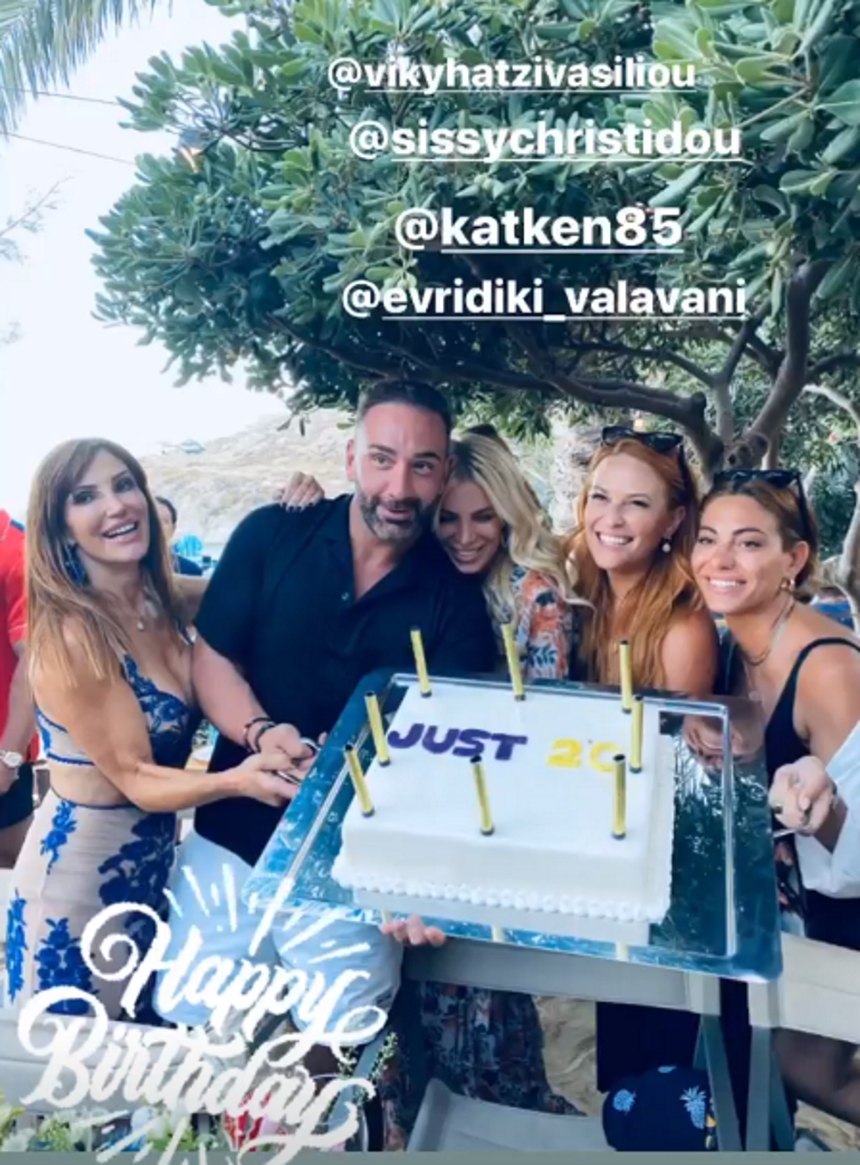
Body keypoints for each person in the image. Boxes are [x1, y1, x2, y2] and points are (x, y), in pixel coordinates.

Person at [152, 382, 498, 1080]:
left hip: (357, 868)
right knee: (190, 1036)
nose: (398, 487)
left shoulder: (455, 600)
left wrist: (421, 869)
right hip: (232, 839)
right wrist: (260, 731)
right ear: (350, 458)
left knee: (337, 1050)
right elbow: (212, 655)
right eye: (382, 458)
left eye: (422, 465)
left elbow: (452, 754)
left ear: (443, 475)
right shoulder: (272, 534)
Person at [5, 439, 293, 1020]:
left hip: (154, 878)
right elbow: (136, 777)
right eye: (86, 497)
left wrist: (292, 518)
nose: (115, 505)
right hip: (75, 895)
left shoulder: (167, 600)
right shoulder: (71, 636)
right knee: (75, 1066)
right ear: (60, 529)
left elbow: (271, 592)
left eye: (124, 484)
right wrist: (239, 781)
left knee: (143, 1058)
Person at [692, 467, 860, 1126]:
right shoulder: (731, 644)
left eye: (749, 542)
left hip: (844, 909)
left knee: (804, 1064)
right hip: (791, 911)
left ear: (794, 559)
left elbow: (856, 847)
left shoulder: (830, 668)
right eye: (708, 538)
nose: (720, 559)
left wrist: (821, 801)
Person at [280, 425, 582, 679]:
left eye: (483, 517)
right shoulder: (411, 565)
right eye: (448, 518)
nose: (465, 538)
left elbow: (549, 710)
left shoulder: (537, 597)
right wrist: (308, 505)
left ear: (506, 516)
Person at [565, 425, 718, 693]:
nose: (612, 519)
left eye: (637, 503)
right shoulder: (572, 591)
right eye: (600, 497)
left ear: (673, 521)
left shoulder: (683, 631)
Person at [0, 507, 37, 868]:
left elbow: (34, 660)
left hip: (1, 750)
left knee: (12, 859)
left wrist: (8, 757)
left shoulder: (16, 549)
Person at [154, 496, 203, 576]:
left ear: (173, 529)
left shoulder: (191, 571)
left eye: (165, 521)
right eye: (153, 521)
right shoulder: (133, 570)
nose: (159, 526)